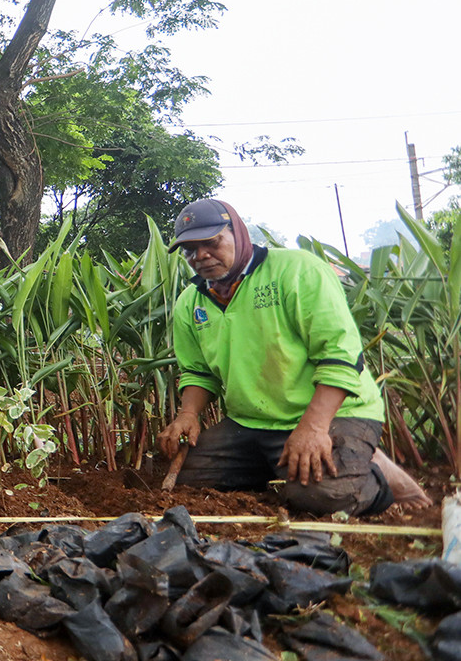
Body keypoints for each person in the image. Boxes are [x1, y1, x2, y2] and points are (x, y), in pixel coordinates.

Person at [156, 198, 431, 516]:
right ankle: (287, 466)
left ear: (238, 233)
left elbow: (340, 355)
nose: (200, 255)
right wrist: (188, 414)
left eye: (211, 242)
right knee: (188, 479)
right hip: (251, 423)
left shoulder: (297, 271)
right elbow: (198, 371)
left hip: (332, 413)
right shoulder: (191, 302)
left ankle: (378, 478)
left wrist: (314, 428)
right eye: (189, 250)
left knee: (321, 497)